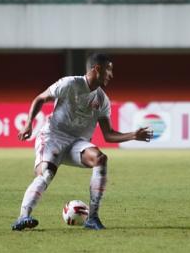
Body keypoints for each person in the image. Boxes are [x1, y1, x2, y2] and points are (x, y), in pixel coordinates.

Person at [11, 53, 153, 231]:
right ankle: (23, 217)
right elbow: (40, 98)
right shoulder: (70, 83)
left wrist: (133, 135)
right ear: (97, 69)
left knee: (100, 159)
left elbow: (108, 135)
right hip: (53, 136)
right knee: (46, 174)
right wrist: (28, 124)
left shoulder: (102, 99)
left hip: (77, 143)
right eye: (109, 70)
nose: (112, 75)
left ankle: (92, 218)